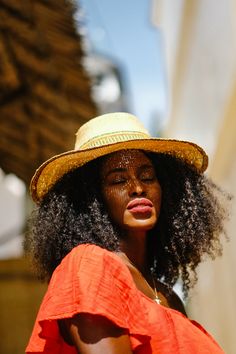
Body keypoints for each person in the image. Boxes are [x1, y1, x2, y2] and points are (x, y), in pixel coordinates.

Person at [25, 112, 228, 353]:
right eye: (118, 180)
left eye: (148, 177)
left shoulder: (169, 297)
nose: (138, 188)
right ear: (92, 198)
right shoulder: (89, 264)